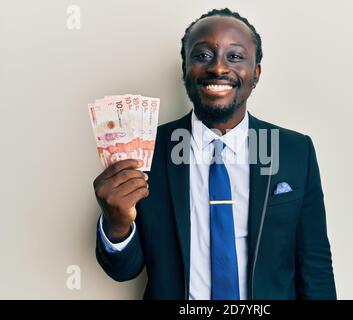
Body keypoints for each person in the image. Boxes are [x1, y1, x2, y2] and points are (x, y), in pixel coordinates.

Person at [93, 8, 337, 300]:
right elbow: (124, 270)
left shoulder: (296, 152)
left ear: (255, 73)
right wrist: (116, 224)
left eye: (234, 56)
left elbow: (315, 268)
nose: (218, 68)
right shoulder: (146, 151)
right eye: (203, 56)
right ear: (185, 70)